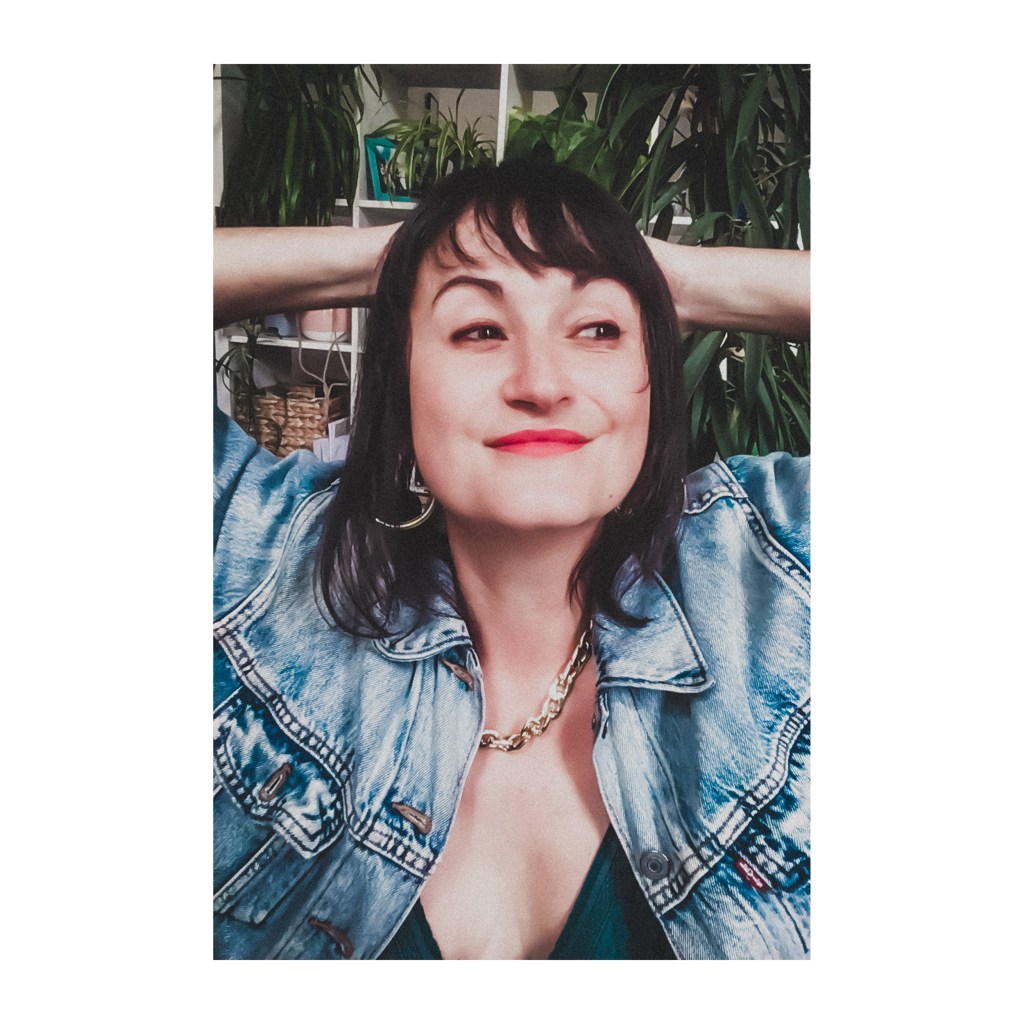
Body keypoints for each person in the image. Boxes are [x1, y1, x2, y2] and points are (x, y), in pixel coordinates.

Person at [213, 160, 810, 960]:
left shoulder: (777, 567)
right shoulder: (258, 554)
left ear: (654, 377)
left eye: (598, 329)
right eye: (479, 330)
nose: (541, 382)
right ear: (401, 380)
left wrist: (680, 280)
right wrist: (396, 261)